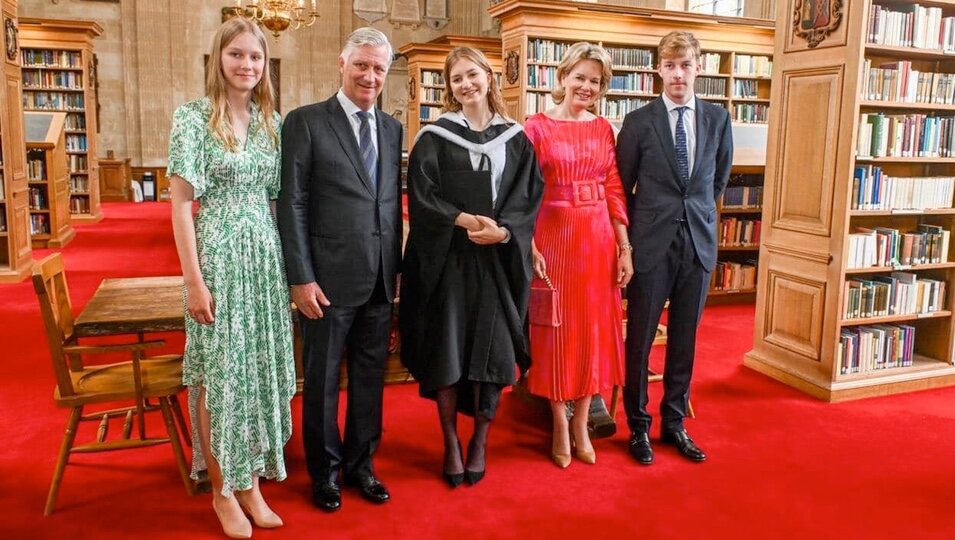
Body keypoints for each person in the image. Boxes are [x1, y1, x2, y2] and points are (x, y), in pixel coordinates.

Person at [168, 17, 295, 539]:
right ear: (218, 58)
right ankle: (222, 489)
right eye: (237, 54)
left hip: (264, 260)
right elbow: (180, 207)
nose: (246, 65)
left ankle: (250, 485)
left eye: (256, 57)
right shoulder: (193, 119)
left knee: (255, 372)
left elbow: (277, 199)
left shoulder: (272, 121)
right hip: (216, 257)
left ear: (265, 65)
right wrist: (194, 281)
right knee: (219, 375)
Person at [399, 47, 544, 488]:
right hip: (449, 261)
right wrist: (462, 221)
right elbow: (421, 194)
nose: (466, 84)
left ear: (489, 76)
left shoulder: (515, 137)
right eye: (457, 78)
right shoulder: (435, 135)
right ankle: (449, 442)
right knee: (448, 351)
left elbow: (526, 198)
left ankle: (480, 439)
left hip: (497, 261)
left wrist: (503, 233)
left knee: (493, 353)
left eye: (472, 75)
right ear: (449, 87)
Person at [277, 28, 402, 512]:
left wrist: (396, 272)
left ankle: (361, 466)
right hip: (324, 282)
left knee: (371, 378)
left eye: (378, 69)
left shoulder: (392, 129)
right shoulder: (305, 122)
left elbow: (388, 206)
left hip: (378, 278)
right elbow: (293, 204)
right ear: (342, 63)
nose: (370, 76)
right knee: (324, 380)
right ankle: (324, 473)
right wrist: (300, 277)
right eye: (361, 65)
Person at [616, 31, 733, 465]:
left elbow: (715, 182)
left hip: (697, 247)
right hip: (650, 246)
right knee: (641, 341)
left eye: (685, 64)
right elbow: (622, 187)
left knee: (685, 340)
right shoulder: (638, 121)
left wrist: (696, 218)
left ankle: (674, 423)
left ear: (699, 66)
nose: (678, 73)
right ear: (658, 70)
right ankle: (638, 427)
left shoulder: (718, 119)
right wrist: (629, 243)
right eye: (669, 65)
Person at [522, 42, 632, 468]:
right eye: (581, 77)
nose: (587, 86)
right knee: (553, 332)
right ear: (564, 76)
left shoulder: (604, 128)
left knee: (592, 332)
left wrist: (624, 247)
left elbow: (614, 188)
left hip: (597, 240)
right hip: (551, 237)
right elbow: (523, 192)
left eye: (596, 81)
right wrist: (528, 243)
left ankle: (583, 420)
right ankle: (558, 422)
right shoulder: (536, 126)